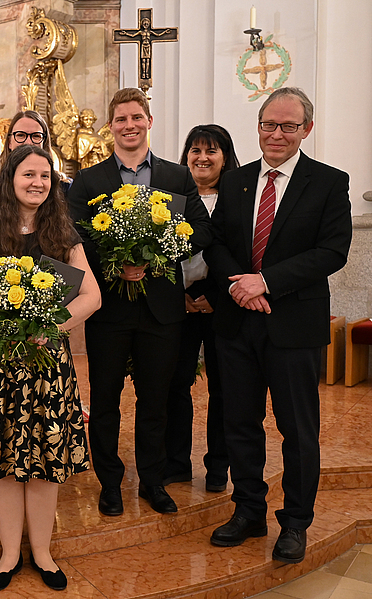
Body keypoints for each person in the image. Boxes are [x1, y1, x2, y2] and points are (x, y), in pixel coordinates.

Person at [205, 88, 352, 564]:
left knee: (298, 430)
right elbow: (217, 243)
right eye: (269, 124)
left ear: (306, 129)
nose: (277, 134)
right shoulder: (236, 182)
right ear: (259, 126)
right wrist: (238, 286)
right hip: (237, 322)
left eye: (288, 126)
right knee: (240, 424)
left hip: (294, 326)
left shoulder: (329, 182)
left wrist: (264, 282)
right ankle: (248, 511)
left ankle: (295, 523)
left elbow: (331, 252)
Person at [0, 145, 101, 591]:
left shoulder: (63, 235)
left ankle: (42, 552)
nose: (37, 182)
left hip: (45, 366)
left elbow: (91, 296)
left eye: (45, 176)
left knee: (44, 459)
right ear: (9, 180)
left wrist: (52, 326)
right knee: (1, 463)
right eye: (28, 174)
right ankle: (10, 554)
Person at [66, 88, 212, 517]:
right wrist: (116, 266)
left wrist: (158, 252)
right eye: (120, 119)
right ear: (110, 127)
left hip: (162, 311)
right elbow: (74, 237)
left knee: (156, 399)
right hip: (108, 310)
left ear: (150, 121)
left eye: (136, 117)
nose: (129, 125)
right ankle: (109, 482)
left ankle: (152, 479)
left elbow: (201, 230)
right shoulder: (89, 181)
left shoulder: (176, 176)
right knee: (106, 399)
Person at [164, 125, 240, 493]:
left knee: (223, 388)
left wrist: (216, 294)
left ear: (225, 157)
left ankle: (217, 466)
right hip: (178, 301)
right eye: (195, 150)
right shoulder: (172, 196)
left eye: (211, 150)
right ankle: (176, 463)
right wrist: (176, 292)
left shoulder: (238, 197)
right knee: (175, 384)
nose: (202, 157)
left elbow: (239, 253)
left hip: (222, 302)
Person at [0, 110, 69, 222]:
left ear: (45, 142)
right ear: (9, 142)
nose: (28, 142)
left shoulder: (64, 187)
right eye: (21, 135)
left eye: (36, 136)